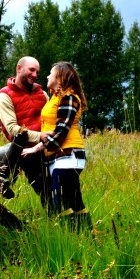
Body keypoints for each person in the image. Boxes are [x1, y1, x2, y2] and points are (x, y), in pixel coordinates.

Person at [21, 61, 92, 230]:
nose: (46, 76)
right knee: (74, 202)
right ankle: (89, 237)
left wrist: (35, 148)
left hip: (69, 156)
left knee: (57, 199)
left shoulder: (69, 98)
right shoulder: (56, 97)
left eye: (50, 73)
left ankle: (69, 237)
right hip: (58, 158)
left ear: (60, 77)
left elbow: (61, 132)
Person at [0, 56, 49, 205]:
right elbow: (13, 129)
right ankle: (58, 222)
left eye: (37, 71)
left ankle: (69, 222)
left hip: (50, 149)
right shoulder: (5, 96)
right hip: (28, 154)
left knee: (63, 190)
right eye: (31, 70)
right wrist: (41, 136)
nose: (35, 75)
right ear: (19, 68)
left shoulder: (42, 94)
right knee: (46, 192)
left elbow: (52, 119)